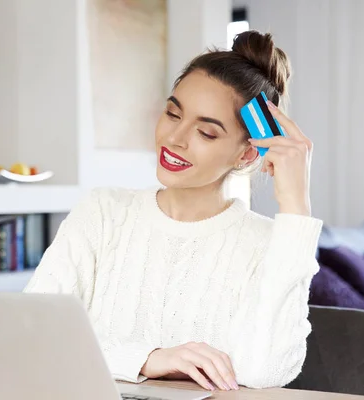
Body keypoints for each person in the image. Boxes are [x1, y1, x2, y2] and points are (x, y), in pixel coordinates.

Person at [23, 30, 322, 391]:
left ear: (246, 153)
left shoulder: (267, 244)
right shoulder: (103, 212)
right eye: (172, 113)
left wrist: (296, 208)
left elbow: (266, 371)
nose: (174, 138)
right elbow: (32, 333)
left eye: (206, 133)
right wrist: (148, 359)